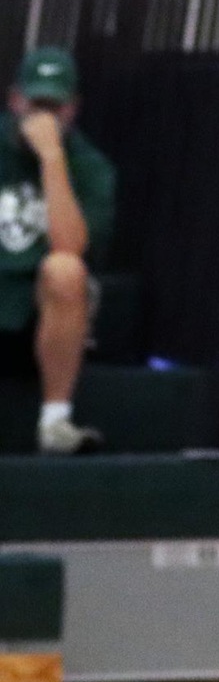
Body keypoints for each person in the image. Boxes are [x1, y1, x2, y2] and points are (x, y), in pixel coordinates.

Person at [0, 46, 115, 453]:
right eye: (36, 104)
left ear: (73, 110)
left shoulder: (91, 167)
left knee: (66, 270)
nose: (43, 117)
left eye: (55, 106)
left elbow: (70, 246)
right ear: (16, 101)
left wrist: (52, 159)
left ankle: (54, 423)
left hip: (39, 314)